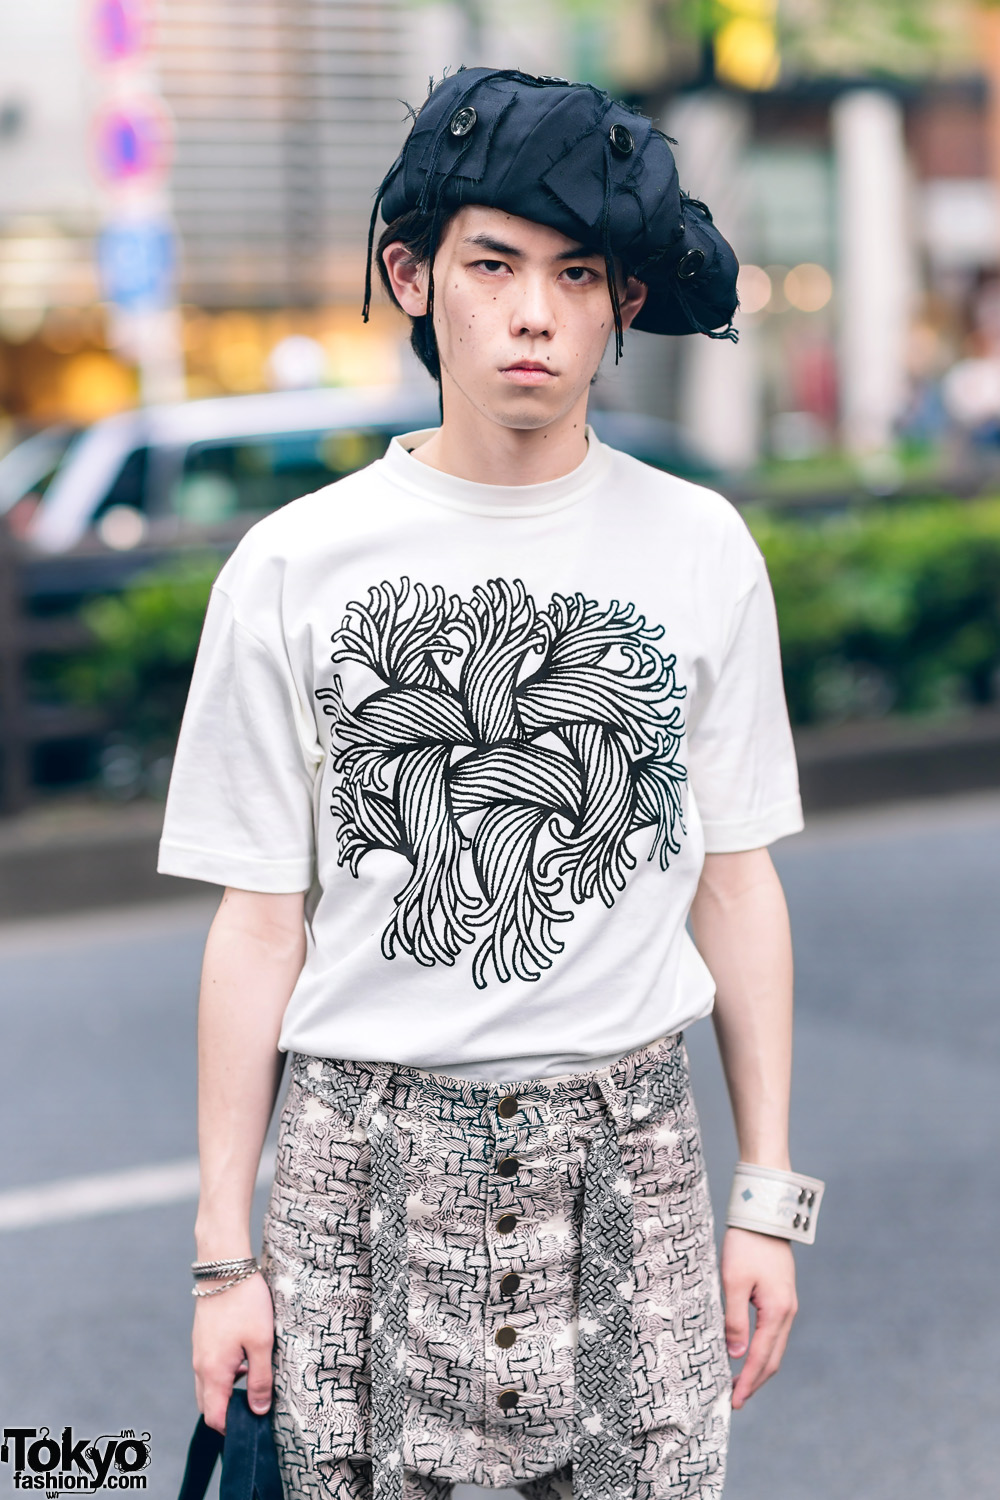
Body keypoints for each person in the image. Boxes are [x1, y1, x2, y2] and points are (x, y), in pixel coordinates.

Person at [159, 67, 823, 1500]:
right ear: (413, 276)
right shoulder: (290, 567)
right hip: (357, 1175)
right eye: (494, 265)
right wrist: (228, 1258)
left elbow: (738, 878)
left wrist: (767, 1201)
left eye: (577, 274)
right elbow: (258, 925)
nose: (535, 313)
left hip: (634, 1160)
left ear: (621, 302)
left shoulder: (702, 548)